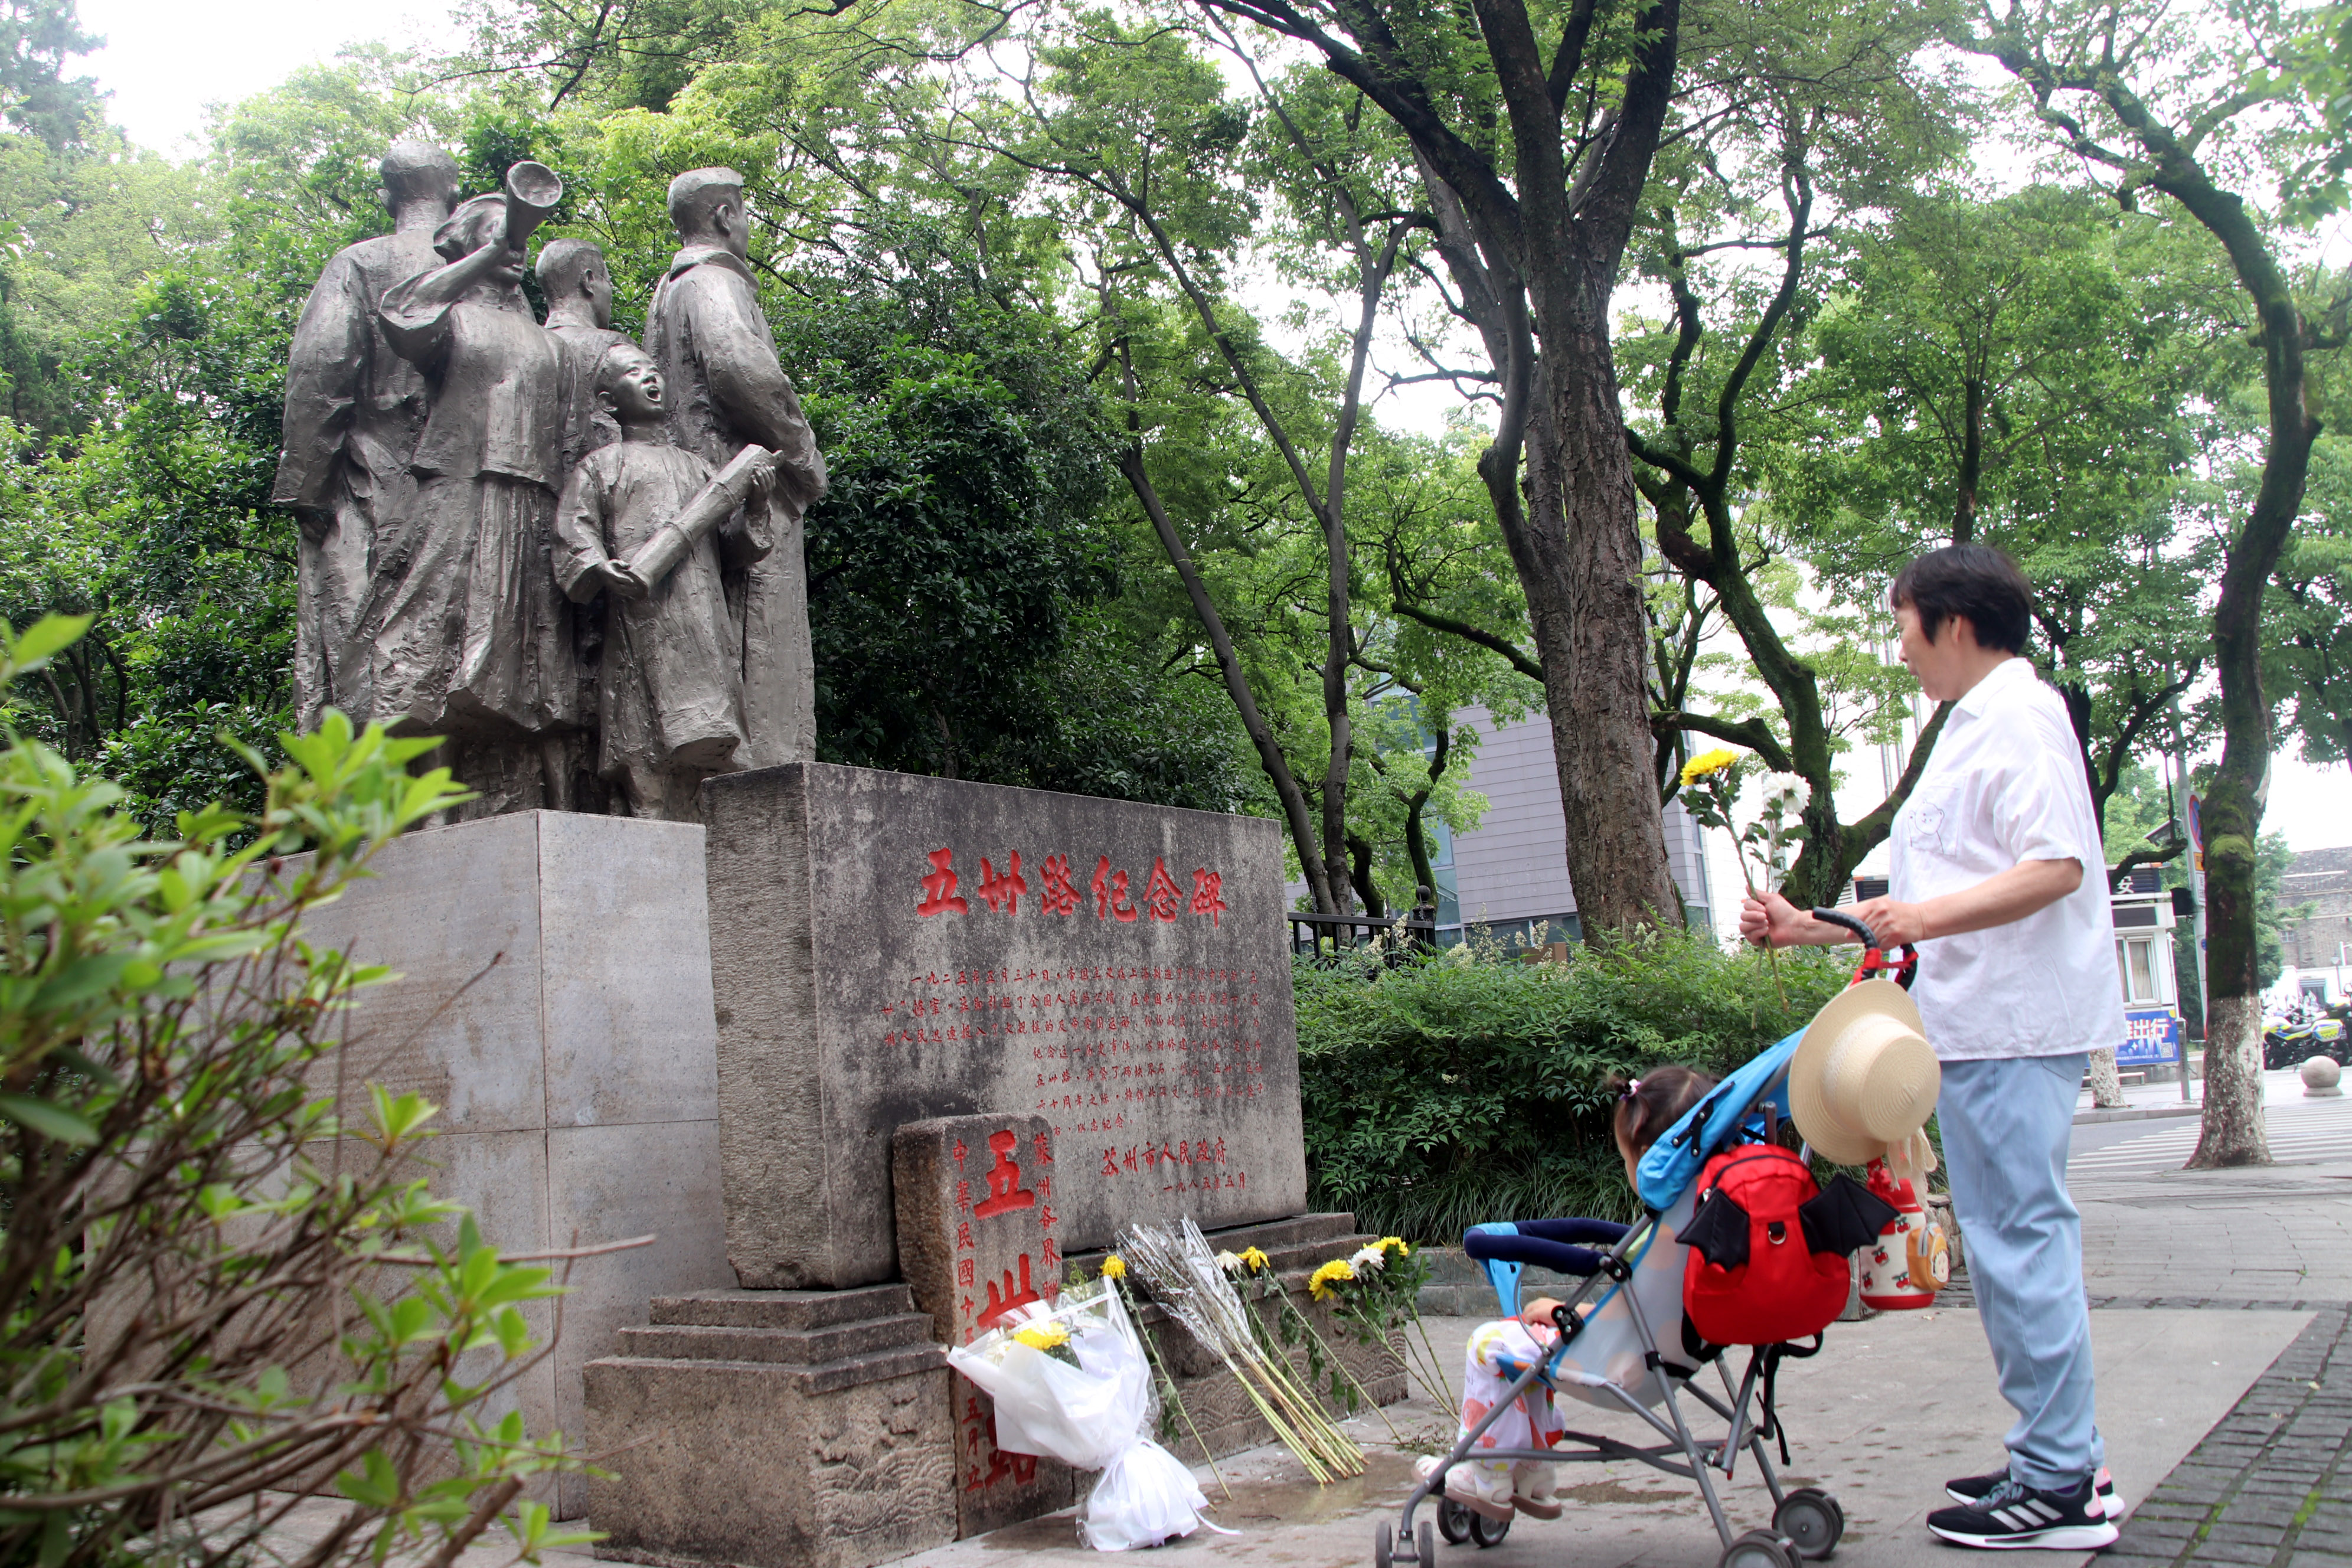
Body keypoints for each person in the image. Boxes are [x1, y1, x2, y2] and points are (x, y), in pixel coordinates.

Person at [1739, 544, 2125, 1551]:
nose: (1898, 647)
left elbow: (2054, 869)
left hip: (2008, 1025)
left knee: (2017, 1241)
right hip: (1976, 1024)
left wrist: (1907, 917)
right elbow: (1914, 906)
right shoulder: (1973, 723)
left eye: (1902, 624)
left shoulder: (2018, 715)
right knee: (2007, 1245)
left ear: (1950, 622)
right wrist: (1804, 924)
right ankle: (2053, 1454)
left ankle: (2057, 1483)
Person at [1416, 1068, 1719, 1524]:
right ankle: (1533, 1476)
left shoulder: (1659, 1242)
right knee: (1529, 1350)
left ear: (1646, 1154)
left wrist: (1558, 1311)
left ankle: (1490, 1476)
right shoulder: (1699, 1224)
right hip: (1675, 1358)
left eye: (1625, 1158)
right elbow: (1652, 1306)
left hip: (1623, 1363)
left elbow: (1628, 1315)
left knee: (1491, 1343)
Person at [375, 192, 583, 812]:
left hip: (534, 500)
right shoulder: (453, 316)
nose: (514, 248)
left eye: (516, 239)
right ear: (467, 245)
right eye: (498, 236)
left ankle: (504, 797)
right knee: (435, 640)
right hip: (460, 489)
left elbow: (571, 435)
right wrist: (489, 250)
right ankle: (423, 803)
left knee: (528, 660)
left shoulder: (546, 340)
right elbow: (404, 314)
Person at [642, 167, 828, 769]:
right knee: (762, 663)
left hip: (704, 497)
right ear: (725, 215)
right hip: (747, 492)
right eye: (743, 213)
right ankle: (769, 784)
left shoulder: (669, 290)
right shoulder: (711, 281)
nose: (746, 226)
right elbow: (738, 365)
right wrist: (803, 454)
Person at [272, 138, 460, 731]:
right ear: (452, 194)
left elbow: (321, 372)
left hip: (370, 479)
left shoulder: (357, 264)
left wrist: (307, 486)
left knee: (360, 630)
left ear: (388, 197)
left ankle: (363, 787)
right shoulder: (486, 274)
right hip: (459, 487)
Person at [553, 344, 767, 819]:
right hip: (639, 617)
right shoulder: (601, 465)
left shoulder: (698, 469)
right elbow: (575, 528)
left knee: (713, 728)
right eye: (635, 374)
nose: (651, 380)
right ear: (610, 401)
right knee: (641, 732)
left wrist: (754, 507)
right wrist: (599, 566)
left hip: (702, 620)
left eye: (654, 371)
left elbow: (733, 550)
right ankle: (647, 819)